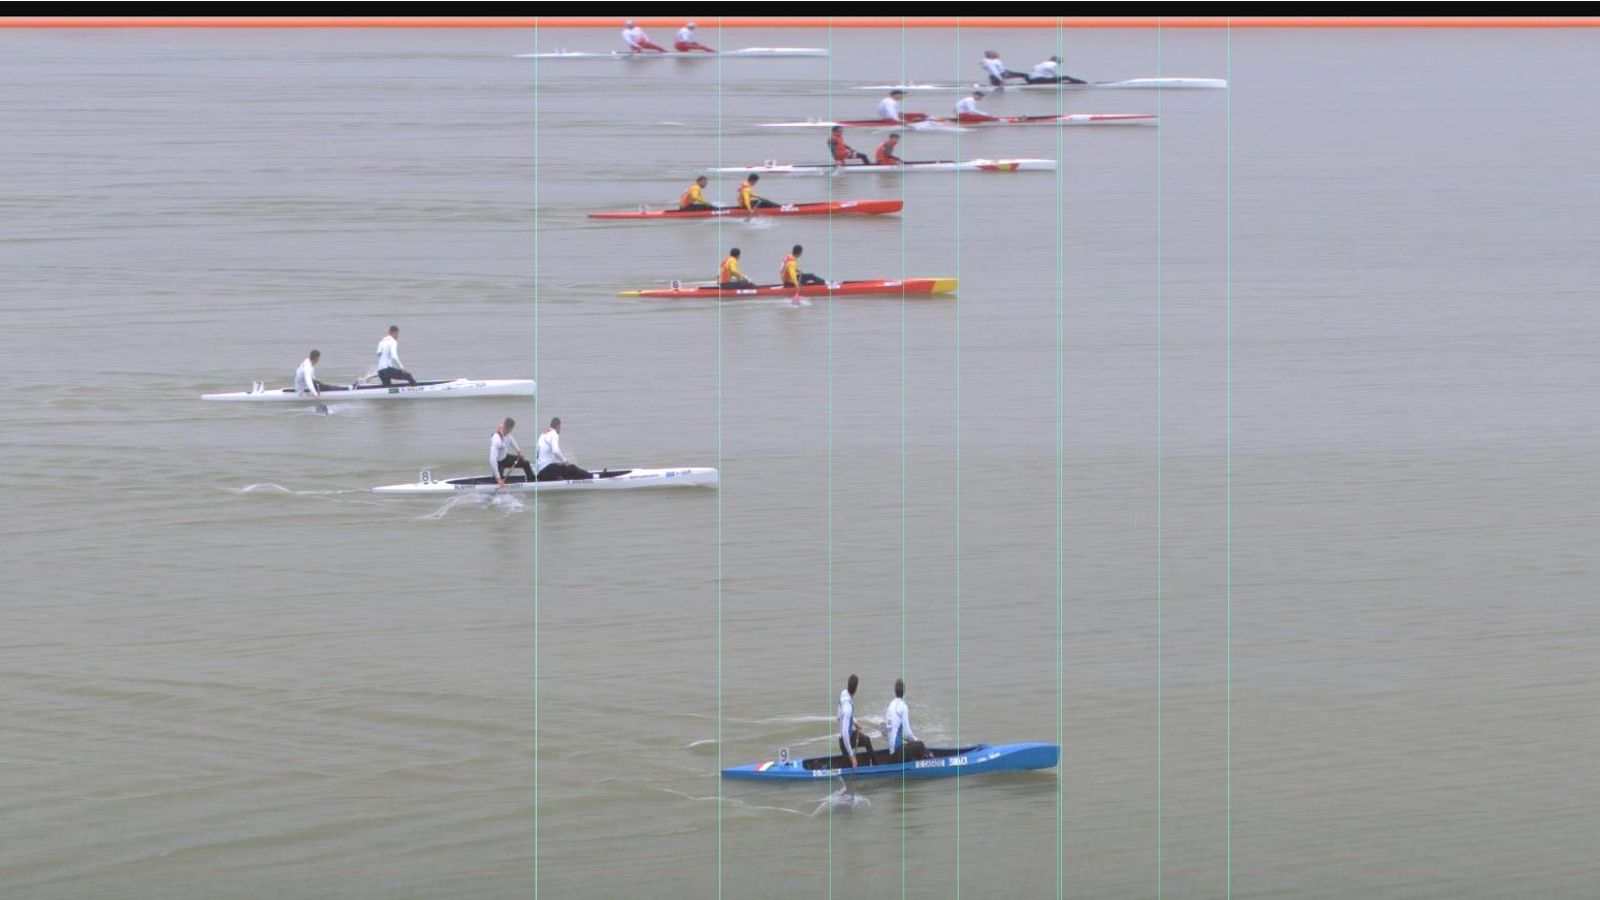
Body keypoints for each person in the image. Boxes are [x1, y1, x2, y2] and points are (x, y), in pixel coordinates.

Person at [882, 679, 929, 762]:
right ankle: (930, 762)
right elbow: (907, 733)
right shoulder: (903, 706)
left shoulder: (890, 705)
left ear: (895, 691)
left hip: (891, 752)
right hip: (898, 753)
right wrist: (915, 740)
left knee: (912, 746)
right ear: (904, 692)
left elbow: (888, 730)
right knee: (920, 745)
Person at [534, 417, 592, 482]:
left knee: (564, 469)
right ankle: (593, 477)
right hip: (547, 471)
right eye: (560, 427)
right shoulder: (554, 434)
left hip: (541, 472)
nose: (560, 430)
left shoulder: (543, 435)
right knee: (572, 467)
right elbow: (555, 451)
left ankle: (567, 478)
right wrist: (564, 461)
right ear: (558, 426)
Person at [838, 674, 875, 768]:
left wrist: (855, 723)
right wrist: (852, 756)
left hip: (847, 736)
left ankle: (875, 764)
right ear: (856, 688)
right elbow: (845, 733)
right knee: (850, 765)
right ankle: (875, 766)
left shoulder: (844, 693)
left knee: (866, 740)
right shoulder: (848, 708)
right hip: (845, 741)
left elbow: (841, 715)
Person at [491, 417, 535, 485]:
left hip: (505, 458)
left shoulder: (505, 430)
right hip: (498, 463)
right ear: (509, 428)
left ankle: (532, 482)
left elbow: (511, 439)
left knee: (526, 463)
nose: (511, 431)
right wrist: (498, 479)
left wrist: (518, 451)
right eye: (511, 429)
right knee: (496, 482)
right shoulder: (497, 440)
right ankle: (497, 479)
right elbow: (492, 460)